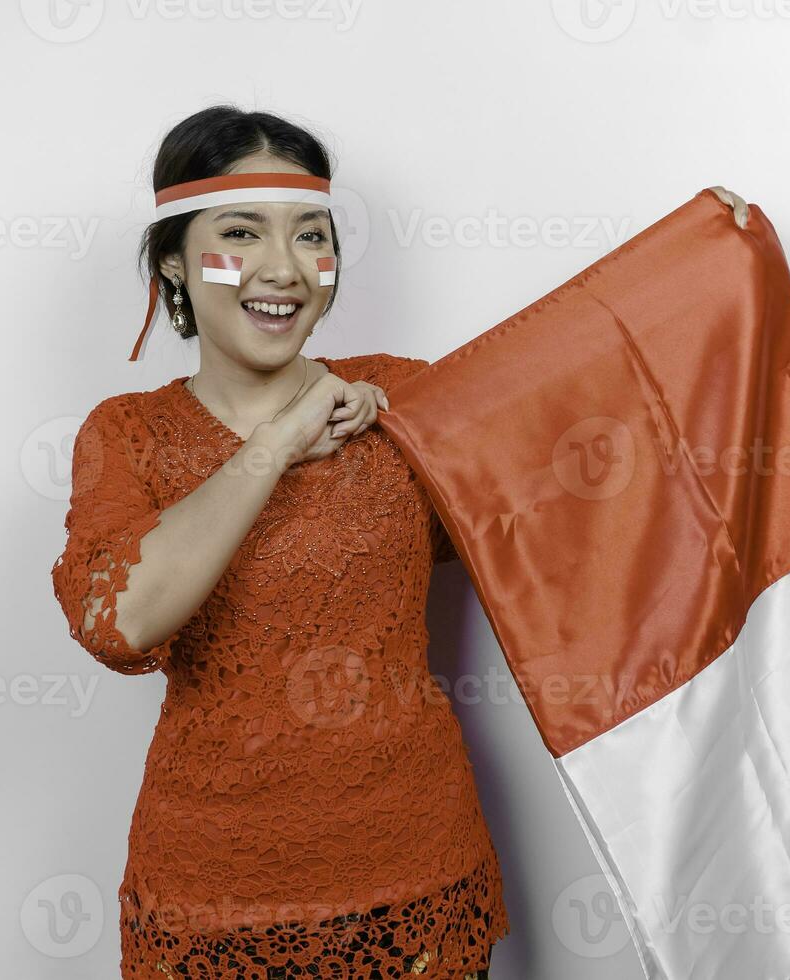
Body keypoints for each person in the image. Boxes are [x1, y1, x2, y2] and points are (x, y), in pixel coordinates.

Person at [50, 104, 508, 979]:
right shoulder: (127, 435)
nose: (283, 267)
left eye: (311, 234)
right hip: (212, 894)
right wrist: (279, 442)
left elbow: (580, 435)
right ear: (174, 262)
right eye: (240, 232)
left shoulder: (401, 399)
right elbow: (122, 623)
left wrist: (697, 272)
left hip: (417, 879)